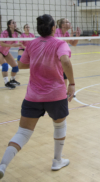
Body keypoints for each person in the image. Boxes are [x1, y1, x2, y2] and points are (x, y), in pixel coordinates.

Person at [0, 14, 75, 180]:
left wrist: (38, 61)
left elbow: (20, 65)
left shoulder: (32, 44)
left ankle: (3, 164)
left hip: (33, 97)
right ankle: (57, 160)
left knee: (23, 133)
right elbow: (66, 61)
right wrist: (72, 84)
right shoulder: (60, 43)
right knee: (60, 126)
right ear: (54, 28)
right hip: (56, 95)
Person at [55, 18, 80, 87]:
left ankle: (65, 92)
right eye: (67, 22)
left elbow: (73, 44)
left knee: (65, 74)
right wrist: (72, 34)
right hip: (54, 58)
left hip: (61, 58)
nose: (70, 23)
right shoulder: (57, 31)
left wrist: (77, 36)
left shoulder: (66, 33)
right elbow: (63, 43)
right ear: (63, 25)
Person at [0, 20, 23, 89]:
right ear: (9, 25)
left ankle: (12, 80)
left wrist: (18, 44)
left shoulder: (15, 33)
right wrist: (12, 45)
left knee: (15, 67)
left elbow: (14, 43)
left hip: (6, 52)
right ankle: (6, 83)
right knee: (5, 65)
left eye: (15, 22)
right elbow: (1, 43)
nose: (15, 23)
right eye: (13, 23)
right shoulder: (5, 33)